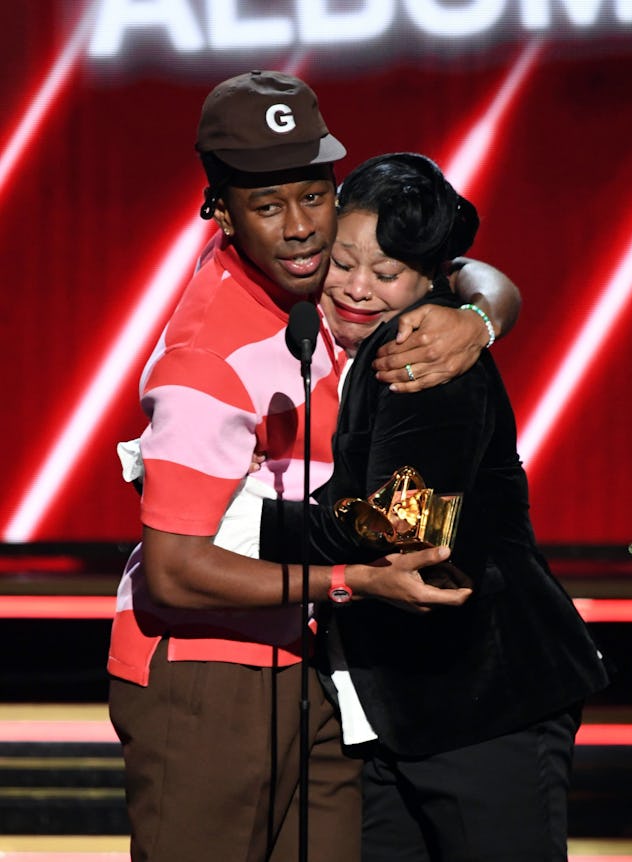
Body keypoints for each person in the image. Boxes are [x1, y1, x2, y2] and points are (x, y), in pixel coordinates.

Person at [108, 72, 522, 862]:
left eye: (315, 196)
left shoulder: (320, 293)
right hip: (209, 674)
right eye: (268, 207)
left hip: (319, 666)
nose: (301, 230)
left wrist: (478, 316)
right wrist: (356, 582)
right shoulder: (211, 357)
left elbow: (463, 268)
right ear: (221, 213)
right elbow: (173, 571)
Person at [257, 153, 610, 861]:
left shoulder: (423, 352)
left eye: (385, 274)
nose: (356, 288)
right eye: (343, 262)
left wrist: (245, 526)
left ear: (428, 280)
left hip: (484, 704)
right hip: (399, 712)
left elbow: (403, 526)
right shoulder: (322, 328)